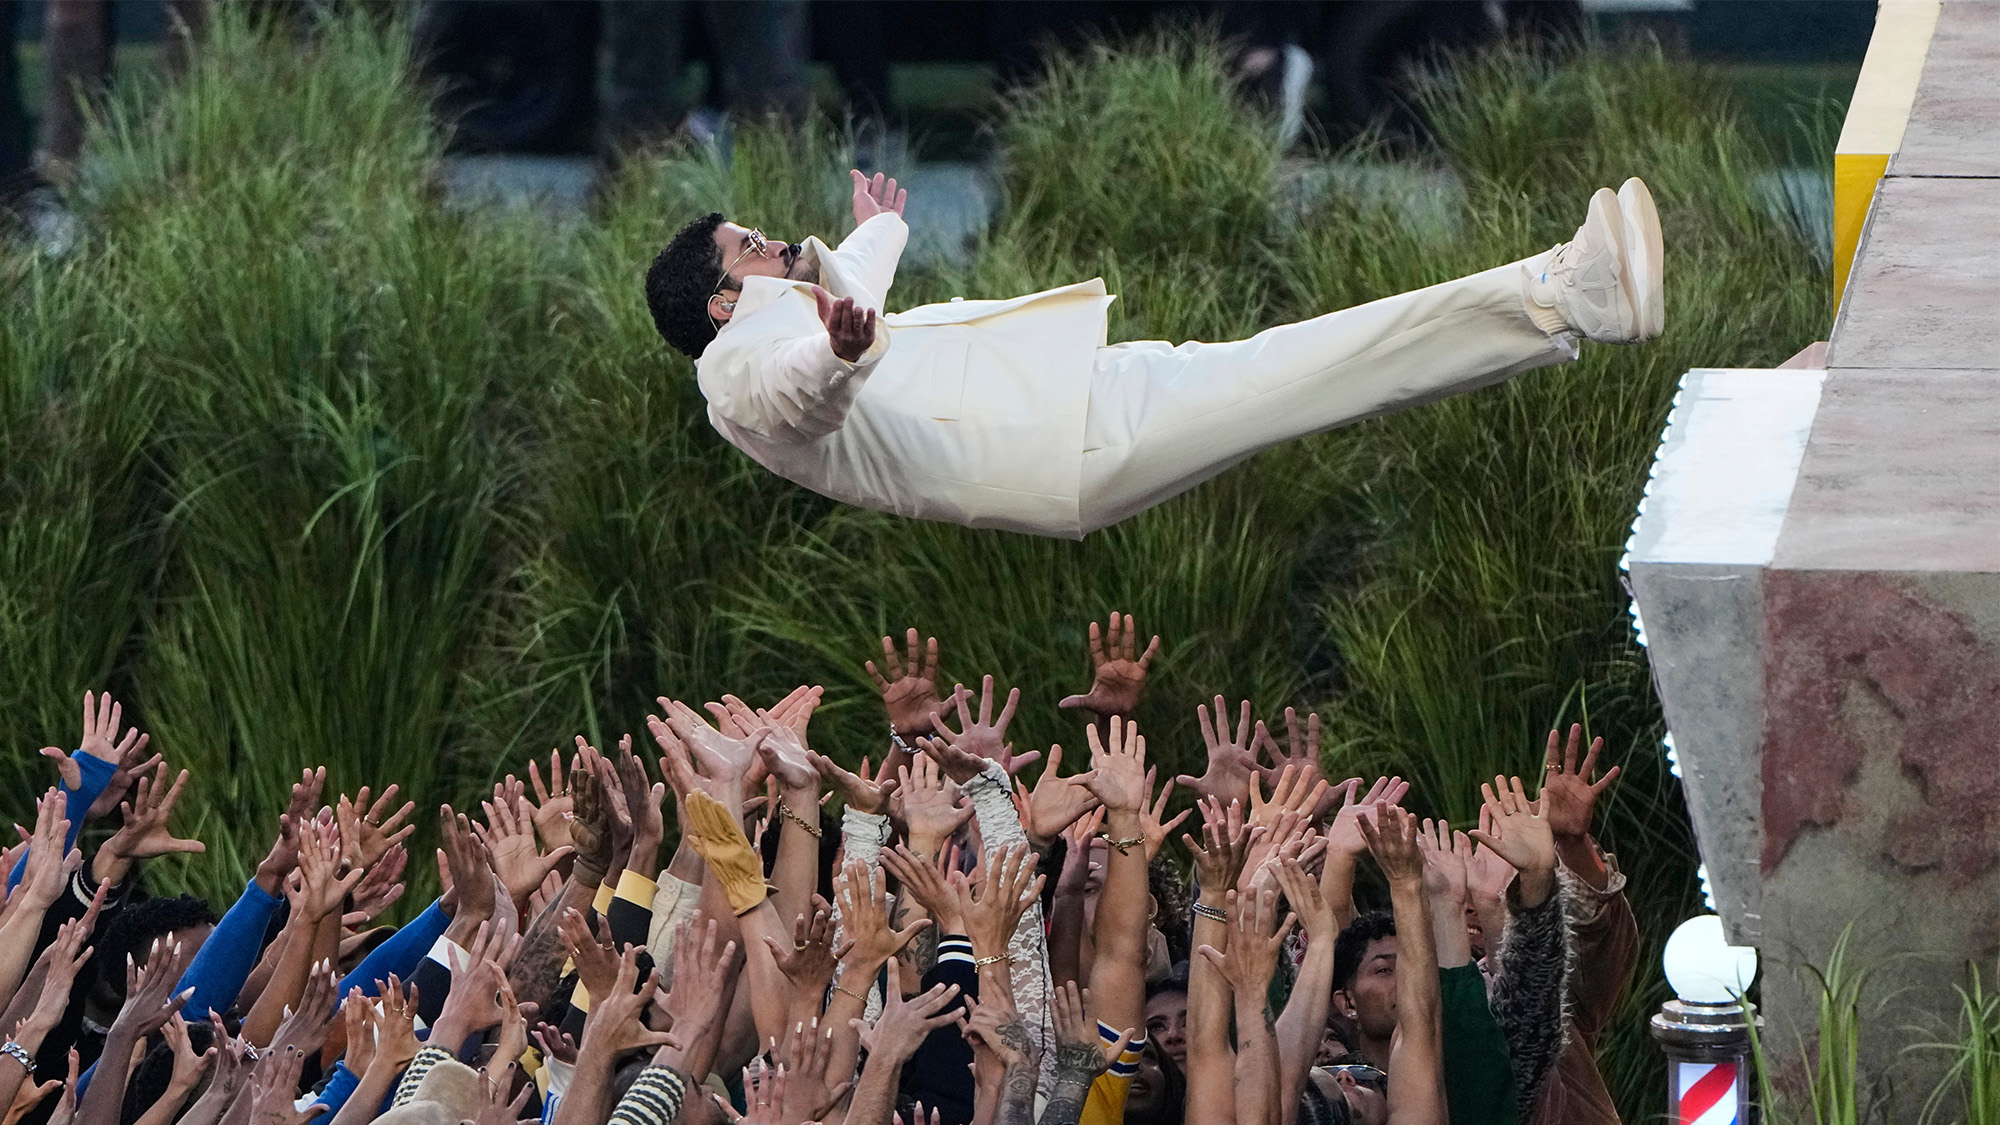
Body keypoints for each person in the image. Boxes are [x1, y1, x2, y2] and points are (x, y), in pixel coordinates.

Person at [643, 170, 1664, 538]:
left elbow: (845, 299)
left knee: (1314, 372)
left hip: (1078, 406)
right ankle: (1562, 291)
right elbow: (798, 388)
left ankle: (1557, 303)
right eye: (755, 247)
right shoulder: (736, 371)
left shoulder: (792, 313)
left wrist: (874, 236)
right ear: (724, 297)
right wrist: (842, 355)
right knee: (1310, 367)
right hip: (1066, 444)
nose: (778, 244)